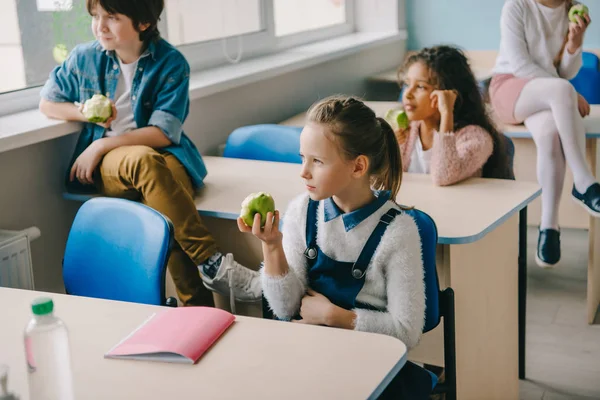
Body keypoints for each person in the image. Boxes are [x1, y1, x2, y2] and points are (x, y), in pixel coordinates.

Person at [39, 0, 261, 307]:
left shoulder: (171, 62)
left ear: (143, 23)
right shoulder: (84, 58)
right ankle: (210, 262)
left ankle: (201, 312)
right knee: (145, 164)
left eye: (112, 17)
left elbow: (164, 132)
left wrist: (101, 143)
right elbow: (48, 103)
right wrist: (84, 112)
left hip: (159, 152)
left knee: (165, 200)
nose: (100, 26)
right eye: (96, 16)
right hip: (114, 164)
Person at [239, 95, 432, 399]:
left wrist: (335, 317)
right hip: (311, 354)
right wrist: (272, 246)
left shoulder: (398, 231)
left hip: (371, 363)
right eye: (302, 157)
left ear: (358, 167)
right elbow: (285, 308)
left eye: (317, 161)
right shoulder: (302, 211)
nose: (303, 172)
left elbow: (406, 331)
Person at [489, 0, 598, 267]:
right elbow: (520, 66)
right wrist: (567, 90)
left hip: (543, 95)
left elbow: (566, 72)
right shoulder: (516, 6)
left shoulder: (571, 10)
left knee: (550, 134)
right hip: (508, 87)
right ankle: (583, 182)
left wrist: (575, 43)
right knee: (563, 91)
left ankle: (549, 227)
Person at [398, 45, 513, 186]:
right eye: (407, 84)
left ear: (447, 94)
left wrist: (447, 113)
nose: (407, 94)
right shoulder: (405, 132)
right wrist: (389, 146)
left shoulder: (476, 139)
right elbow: (383, 180)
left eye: (420, 87)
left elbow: (443, 176)